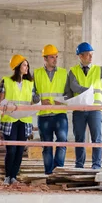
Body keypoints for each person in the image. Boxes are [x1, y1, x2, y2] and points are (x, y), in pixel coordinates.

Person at [65, 42, 102, 170]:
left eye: (91, 54)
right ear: (81, 56)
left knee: (97, 139)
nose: (90, 57)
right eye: (88, 55)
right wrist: (88, 90)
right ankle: (79, 165)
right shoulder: (73, 71)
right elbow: (73, 87)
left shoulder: (98, 70)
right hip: (79, 110)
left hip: (95, 110)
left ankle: (96, 165)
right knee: (80, 139)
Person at [0, 54, 39, 185]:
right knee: (12, 149)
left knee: (20, 150)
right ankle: (7, 176)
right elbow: (0, 101)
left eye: (27, 65)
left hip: (25, 119)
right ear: (17, 67)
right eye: (24, 65)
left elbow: (34, 100)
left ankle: (13, 176)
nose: (27, 67)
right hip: (10, 119)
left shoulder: (30, 83)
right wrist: (7, 105)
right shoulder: (6, 81)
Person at [34, 44, 68, 175]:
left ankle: (58, 171)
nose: (55, 59)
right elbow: (32, 93)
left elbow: (69, 93)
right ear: (45, 58)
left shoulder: (64, 73)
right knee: (46, 146)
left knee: (62, 143)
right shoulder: (37, 73)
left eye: (56, 57)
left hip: (60, 114)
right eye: (52, 57)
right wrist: (40, 101)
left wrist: (63, 100)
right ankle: (49, 173)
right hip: (44, 115)